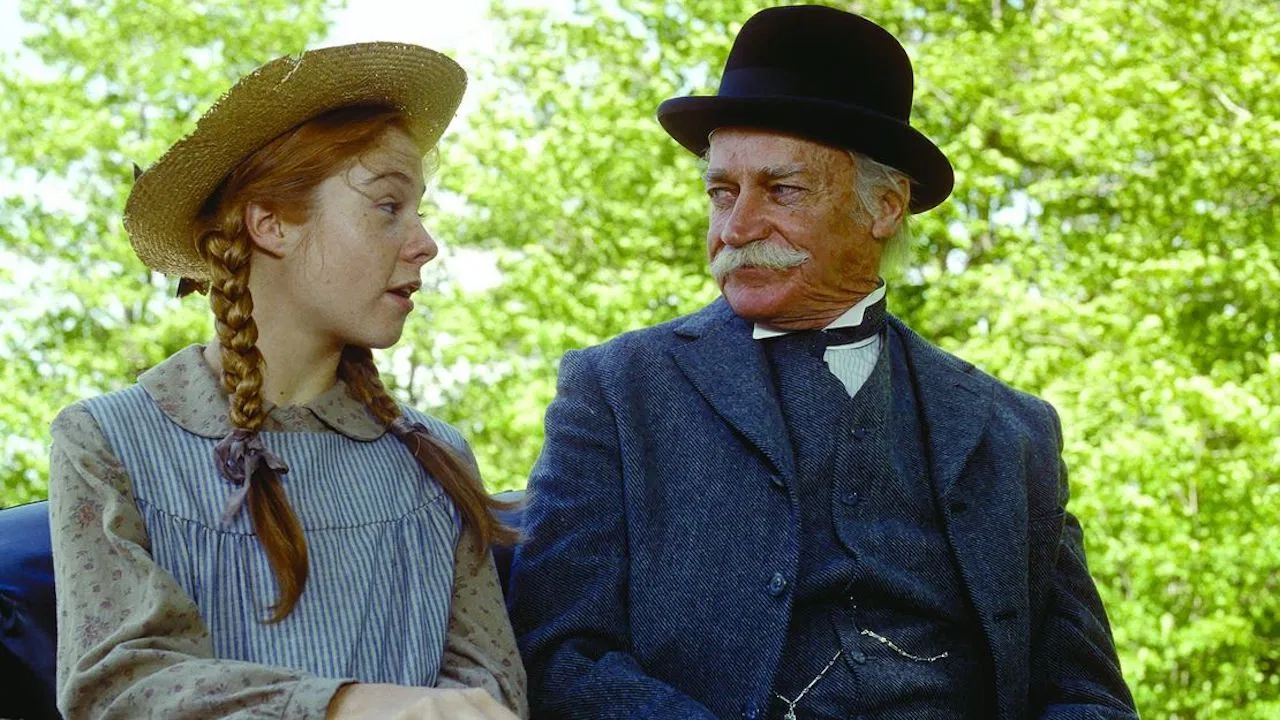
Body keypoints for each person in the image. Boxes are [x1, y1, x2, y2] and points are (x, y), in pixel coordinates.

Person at [507, 6, 1136, 719]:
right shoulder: (617, 391)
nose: (736, 228)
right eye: (721, 192)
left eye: (782, 190)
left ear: (885, 207)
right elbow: (559, 656)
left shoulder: (1011, 431)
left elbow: (1086, 695)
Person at [48, 42, 526, 720]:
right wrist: (344, 707)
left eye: (420, 210)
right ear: (270, 223)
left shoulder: (436, 460)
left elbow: (491, 688)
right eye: (388, 206)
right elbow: (117, 687)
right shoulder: (106, 443)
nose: (426, 243)